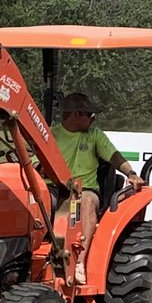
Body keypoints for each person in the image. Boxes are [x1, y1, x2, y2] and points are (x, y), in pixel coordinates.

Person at [53, 91, 127, 280]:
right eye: (90, 115)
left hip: (86, 188)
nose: (94, 119)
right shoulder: (51, 135)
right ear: (76, 114)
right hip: (54, 187)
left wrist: (132, 174)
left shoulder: (94, 135)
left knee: (85, 201)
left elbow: (114, 156)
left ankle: (79, 262)